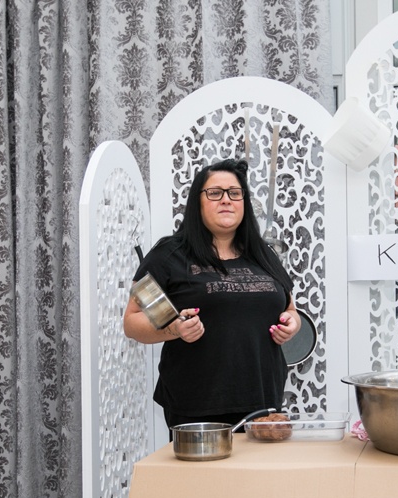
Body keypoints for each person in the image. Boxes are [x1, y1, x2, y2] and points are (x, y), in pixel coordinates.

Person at [124, 158, 300, 428]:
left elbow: (289, 308)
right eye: (215, 193)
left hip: (263, 400)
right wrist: (174, 329)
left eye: (235, 193)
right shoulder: (169, 255)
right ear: (198, 202)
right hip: (197, 407)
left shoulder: (263, 254)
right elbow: (132, 321)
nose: (226, 200)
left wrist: (292, 324)